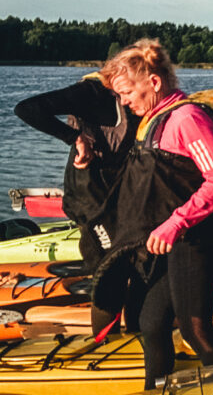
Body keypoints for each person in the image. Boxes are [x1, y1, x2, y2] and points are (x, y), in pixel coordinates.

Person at [92, 39, 213, 389]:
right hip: (172, 243)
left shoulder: (188, 118)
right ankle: (157, 392)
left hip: (199, 239)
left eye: (128, 92)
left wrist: (176, 223)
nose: (125, 102)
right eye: (120, 96)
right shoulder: (152, 121)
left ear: (154, 83)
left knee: (194, 327)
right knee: (150, 322)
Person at [13, 73, 140, 271]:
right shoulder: (91, 92)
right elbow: (27, 109)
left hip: (118, 197)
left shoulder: (140, 99)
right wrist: (75, 138)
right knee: (106, 264)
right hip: (89, 198)